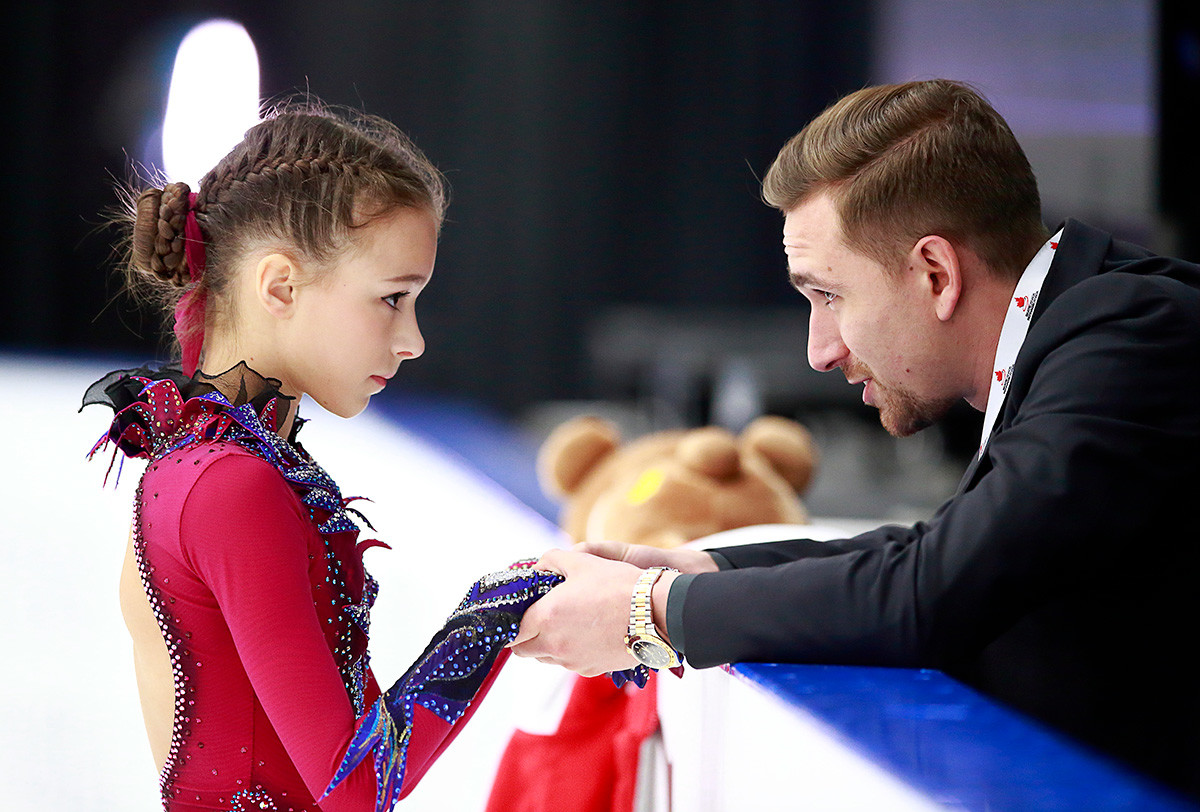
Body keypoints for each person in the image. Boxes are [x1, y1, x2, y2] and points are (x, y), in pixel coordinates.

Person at [509, 78, 1200, 799]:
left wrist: (647, 612)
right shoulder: (1086, 324)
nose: (819, 350)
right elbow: (936, 549)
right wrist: (694, 567)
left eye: (829, 296)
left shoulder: (1133, 335)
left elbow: (931, 592)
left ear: (936, 273)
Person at [84, 103, 560, 812]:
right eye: (392, 299)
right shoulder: (228, 484)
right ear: (280, 286)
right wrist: (493, 616)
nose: (413, 340)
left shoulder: (220, 461)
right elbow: (357, 784)